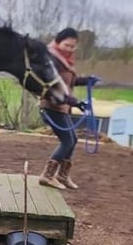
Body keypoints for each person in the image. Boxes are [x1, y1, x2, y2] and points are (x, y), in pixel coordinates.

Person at [38, 27, 94, 190]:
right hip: (51, 106)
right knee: (67, 140)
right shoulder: (52, 61)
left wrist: (87, 80)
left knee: (73, 139)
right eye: (66, 45)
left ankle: (62, 176)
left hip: (62, 107)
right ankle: (47, 176)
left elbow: (69, 82)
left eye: (72, 46)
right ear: (57, 42)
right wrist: (74, 102)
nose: (69, 49)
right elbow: (51, 88)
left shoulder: (65, 62)